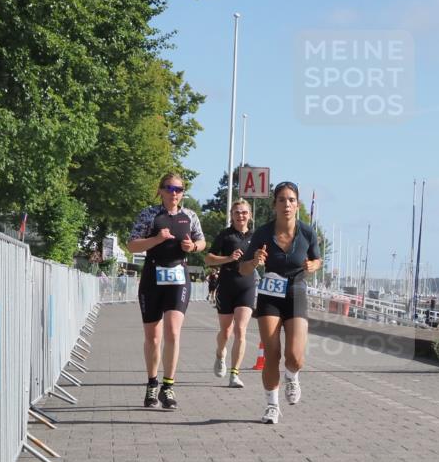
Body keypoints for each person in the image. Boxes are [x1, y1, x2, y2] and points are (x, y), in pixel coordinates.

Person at [239, 182, 321, 424]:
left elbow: (318, 259)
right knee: (272, 352)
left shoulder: (307, 233)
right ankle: (272, 405)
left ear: (297, 204)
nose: (287, 204)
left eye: (292, 200)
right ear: (274, 204)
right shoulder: (262, 234)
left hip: (296, 292)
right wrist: (255, 261)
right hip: (270, 294)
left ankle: (292, 376)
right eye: (282, 200)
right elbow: (243, 269)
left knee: (295, 357)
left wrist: (312, 265)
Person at [126, 173, 205, 410]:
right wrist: (156, 239)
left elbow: (202, 242)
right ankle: (152, 383)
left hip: (178, 276)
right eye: (169, 188)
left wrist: (193, 246)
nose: (174, 193)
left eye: (179, 189)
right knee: (153, 336)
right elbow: (132, 244)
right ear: (160, 190)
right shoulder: (149, 214)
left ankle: (168, 386)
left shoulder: (189, 216)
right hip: (152, 275)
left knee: (173, 331)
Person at [205, 199, 256, 388]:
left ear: (250, 215)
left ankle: (235, 374)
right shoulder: (225, 235)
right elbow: (209, 258)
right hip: (227, 285)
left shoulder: (256, 236)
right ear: (232, 216)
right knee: (226, 331)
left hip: (247, 285)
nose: (240, 215)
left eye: (244, 212)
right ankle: (220, 354)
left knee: (240, 330)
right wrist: (228, 258)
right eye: (237, 212)